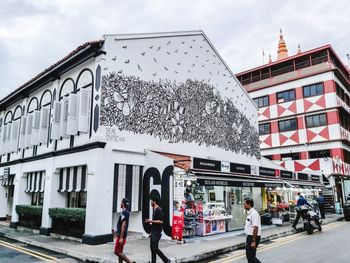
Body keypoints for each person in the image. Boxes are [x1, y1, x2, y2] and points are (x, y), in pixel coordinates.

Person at [145, 196, 170, 263]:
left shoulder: (159, 210)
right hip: (153, 232)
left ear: (154, 202)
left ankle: (166, 260)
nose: (150, 202)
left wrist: (151, 221)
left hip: (157, 232)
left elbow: (161, 221)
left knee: (155, 248)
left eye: (151, 201)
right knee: (152, 248)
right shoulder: (155, 210)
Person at [114, 198, 134, 263]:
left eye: (121, 202)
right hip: (122, 235)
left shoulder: (124, 212)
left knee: (116, 251)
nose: (120, 203)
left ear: (123, 203)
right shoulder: (126, 212)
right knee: (120, 252)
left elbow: (124, 224)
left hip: (121, 236)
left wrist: (121, 237)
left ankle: (130, 262)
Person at [243, 198, 262, 263]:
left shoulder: (254, 213)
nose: (244, 205)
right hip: (250, 237)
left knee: (250, 257)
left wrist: (253, 241)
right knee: (251, 257)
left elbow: (255, 227)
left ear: (249, 204)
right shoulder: (250, 213)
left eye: (244, 204)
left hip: (253, 237)